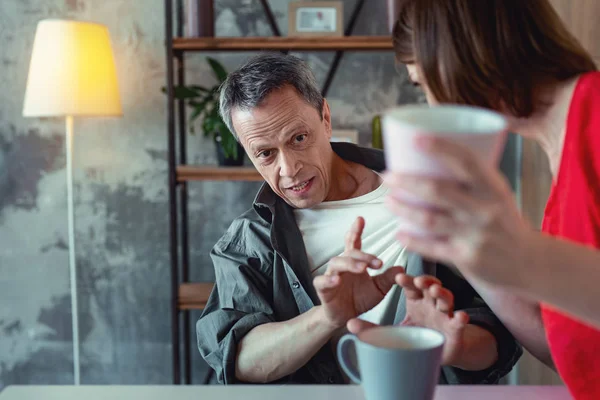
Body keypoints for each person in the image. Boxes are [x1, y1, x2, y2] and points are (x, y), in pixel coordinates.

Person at [196, 53, 520, 384]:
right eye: (265, 153)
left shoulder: (424, 191)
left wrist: (455, 346)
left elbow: (507, 331)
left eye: (299, 138)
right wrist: (327, 316)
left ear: (325, 117)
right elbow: (239, 360)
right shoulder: (249, 239)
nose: (289, 169)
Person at [379, 0, 600, 398]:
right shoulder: (558, 150)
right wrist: (470, 254)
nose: (430, 105)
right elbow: (573, 350)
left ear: (460, 54)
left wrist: (525, 255)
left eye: (421, 83)